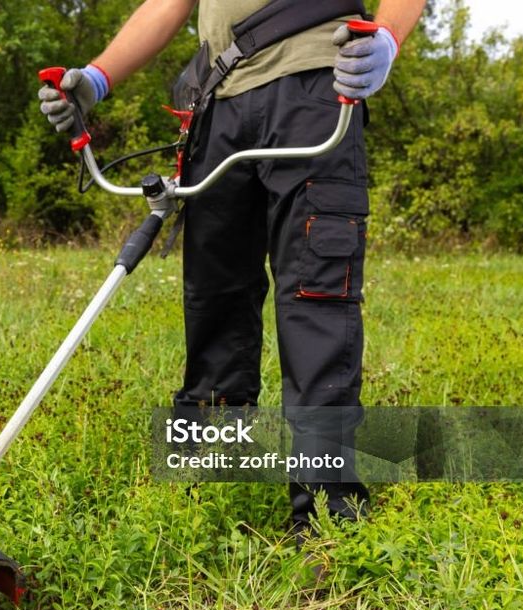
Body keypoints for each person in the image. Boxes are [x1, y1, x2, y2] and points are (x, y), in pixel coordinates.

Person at [39, 0, 426, 540]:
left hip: (314, 85)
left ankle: (328, 516)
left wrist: (387, 38)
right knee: (214, 293)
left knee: (315, 297)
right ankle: (205, 471)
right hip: (216, 100)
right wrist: (97, 79)